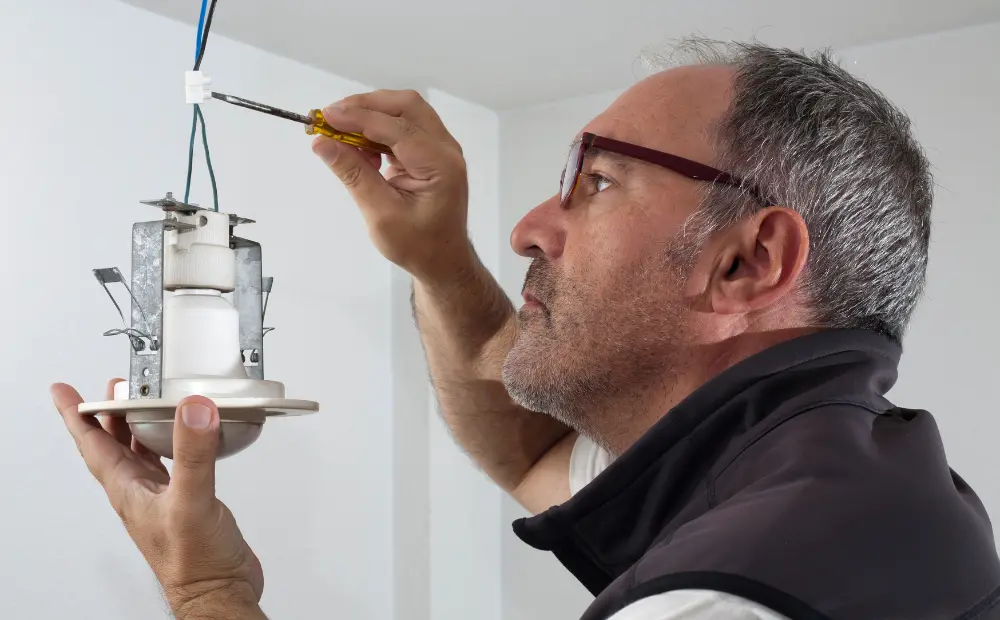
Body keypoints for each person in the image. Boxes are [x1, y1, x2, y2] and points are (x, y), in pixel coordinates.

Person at [52, 37, 1000, 619]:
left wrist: (210, 596)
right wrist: (435, 257)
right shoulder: (846, 477)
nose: (528, 229)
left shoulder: (728, 600)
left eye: (596, 182)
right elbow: (532, 450)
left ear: (746, 264)